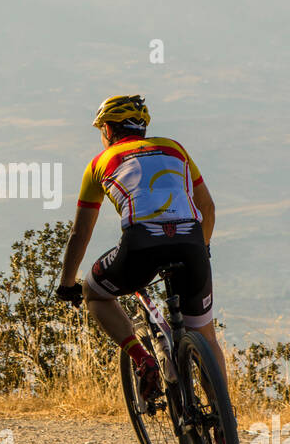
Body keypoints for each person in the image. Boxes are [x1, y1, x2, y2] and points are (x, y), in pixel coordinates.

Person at [56, 94, 227, 398]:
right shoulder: (175, 149)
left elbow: (80, 232)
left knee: (94, 292)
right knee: (206, 337)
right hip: (191, 243)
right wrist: (204, 247)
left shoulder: (99, 164)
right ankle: (224, 427)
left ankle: (142, 359)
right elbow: (208, 210)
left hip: (141, 245)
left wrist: (67, 283)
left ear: (108, 130)